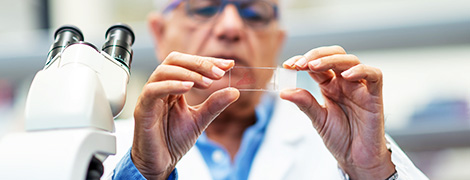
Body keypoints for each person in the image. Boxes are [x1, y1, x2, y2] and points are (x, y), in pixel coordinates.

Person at [105, 0, 428, 179]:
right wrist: (144, 175)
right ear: (159, 34)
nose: (231, 27)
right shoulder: (106, 151)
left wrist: (371, 172)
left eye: (255, 14)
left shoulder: (356, 146)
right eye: (203, 8)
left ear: (277, 41)